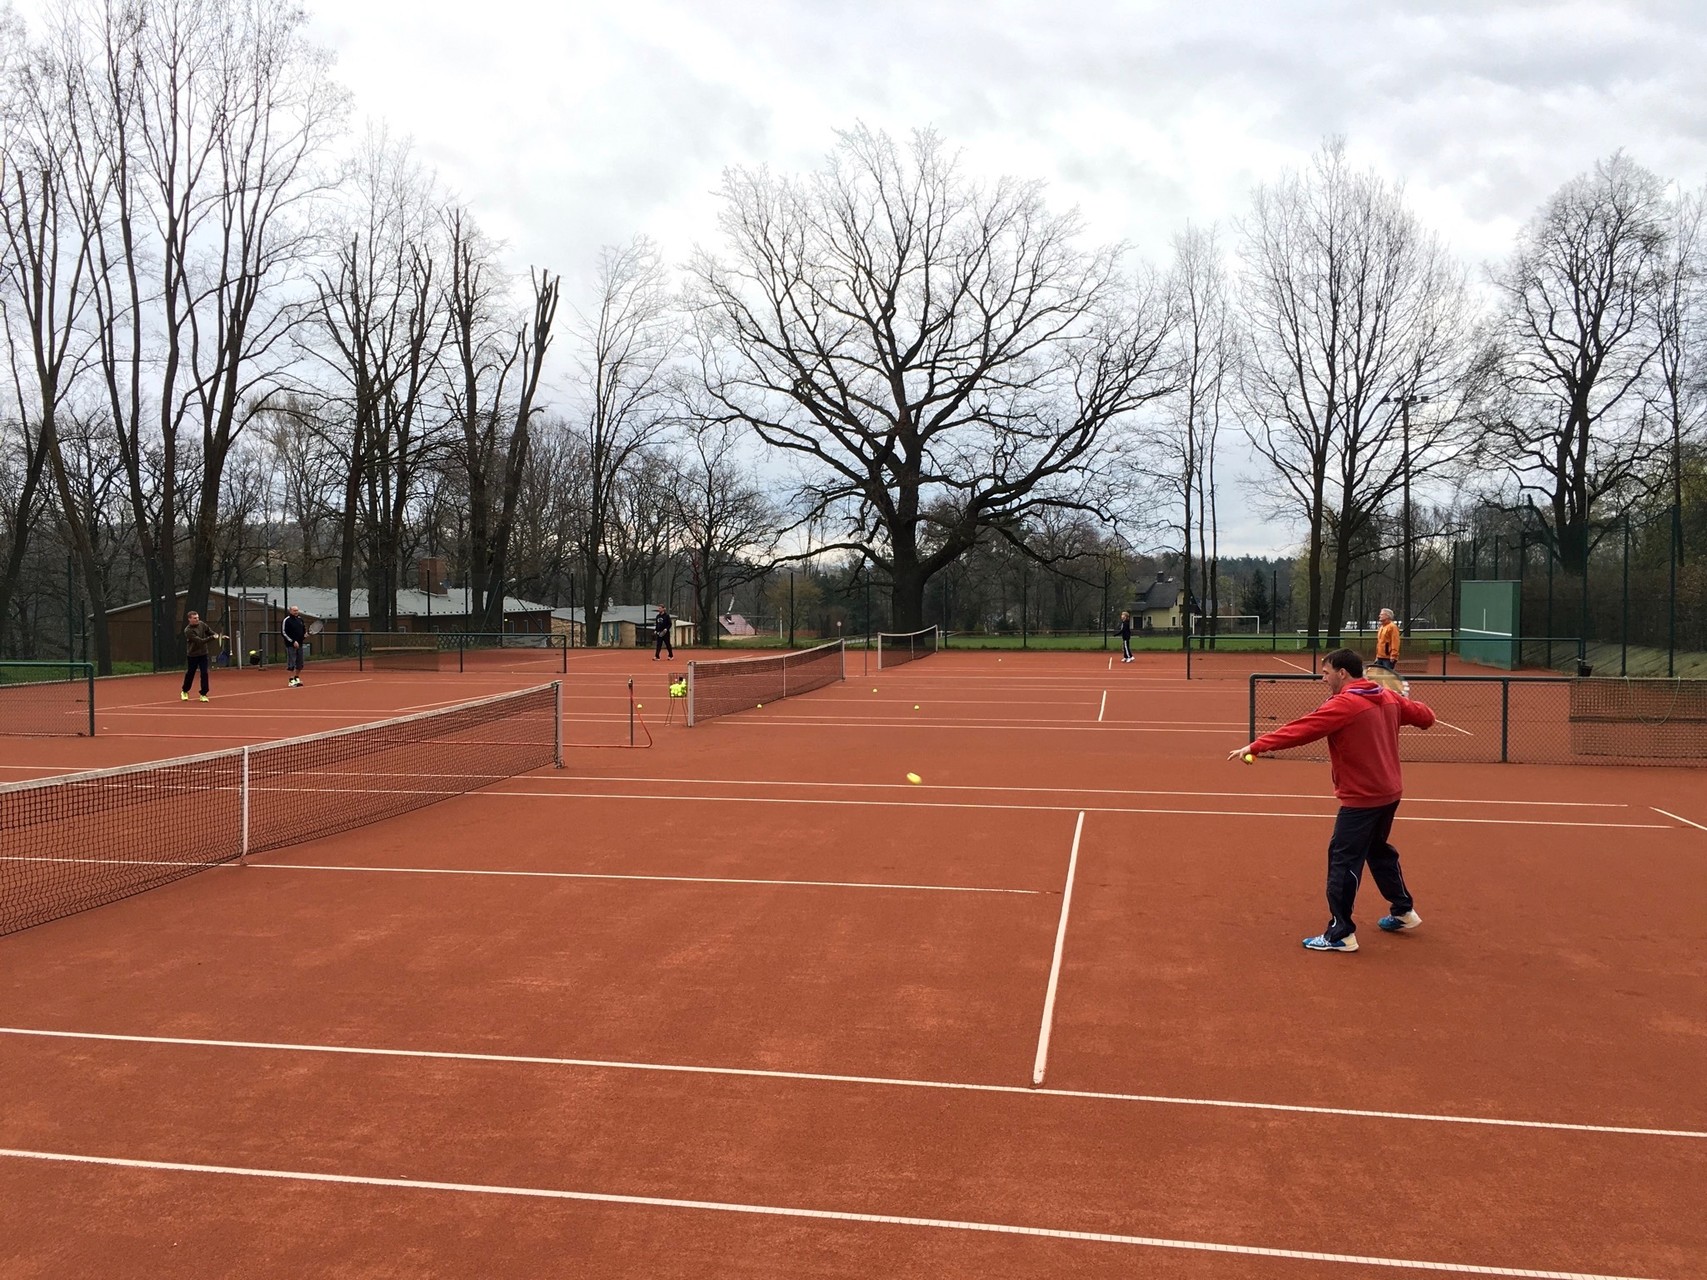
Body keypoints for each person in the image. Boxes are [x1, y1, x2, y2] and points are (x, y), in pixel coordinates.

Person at [1228, 647, 1435, 953]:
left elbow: (1301, 729)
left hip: (1362, 798)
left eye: (1325, 673)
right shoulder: (1387, 697)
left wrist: (1256, 746)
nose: (1322, 678)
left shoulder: (1345, 704)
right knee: (1377, 850)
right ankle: (1403, 911)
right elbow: (1427, 717)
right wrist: (1400, 700)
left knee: (1343, 859)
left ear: (1342, 673)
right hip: (1389, 793)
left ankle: (1341, 933)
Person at [180, 611, 220, 702]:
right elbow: (200, 641)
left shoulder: (202, 624)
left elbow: (210, 632)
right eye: (194, 618)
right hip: (193, 655)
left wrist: (217, 635)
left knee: (204, 673)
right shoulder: (188, 630)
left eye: (197, 617)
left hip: (203, 654)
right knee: (190, 673)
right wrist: (213, 637)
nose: (197, 619)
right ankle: (185, 691)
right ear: (189, 619)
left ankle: (203, 694)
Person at [282, 605, 308, 687]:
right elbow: (284, 633)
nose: (296, 612)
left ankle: (297, 678)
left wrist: (305, 635)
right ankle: (291, 680)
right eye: (294, 610)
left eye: (297, 610)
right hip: (290, 645)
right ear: (290, 611)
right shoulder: (287, 620)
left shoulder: (300, 619)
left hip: (300, 645)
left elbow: (303, 630)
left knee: (300, 664)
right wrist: (293, 641)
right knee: (291, 663)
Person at [1374, 607, 1400, 672]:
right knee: (1378, 677)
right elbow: (1380, 642)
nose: (1379, 616)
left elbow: (1395, 642)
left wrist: (1393, 655)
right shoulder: (1382, 627)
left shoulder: (1392, 627)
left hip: (1388, 658)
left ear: (1387, 616)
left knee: (1387, 676)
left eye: (1382, 614)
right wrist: (1377, 656)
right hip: (1380, 656)